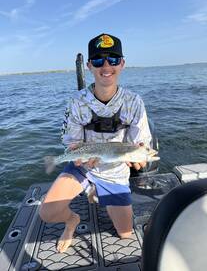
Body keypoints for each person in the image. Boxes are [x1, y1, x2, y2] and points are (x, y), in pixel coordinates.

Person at [39, 33, 152, 253]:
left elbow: (139, 143)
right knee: (47, 213)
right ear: (90, 66)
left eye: (113, 59)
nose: (106, 65)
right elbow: (72, 142)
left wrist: (140, 159)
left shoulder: (134, 102)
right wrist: (75, 153)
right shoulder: (76, 102)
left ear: (122, 64)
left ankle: (97, 191)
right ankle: (72, 220)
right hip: (85, 167)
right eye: (99, 60)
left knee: (125, 234)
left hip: (116, 172)